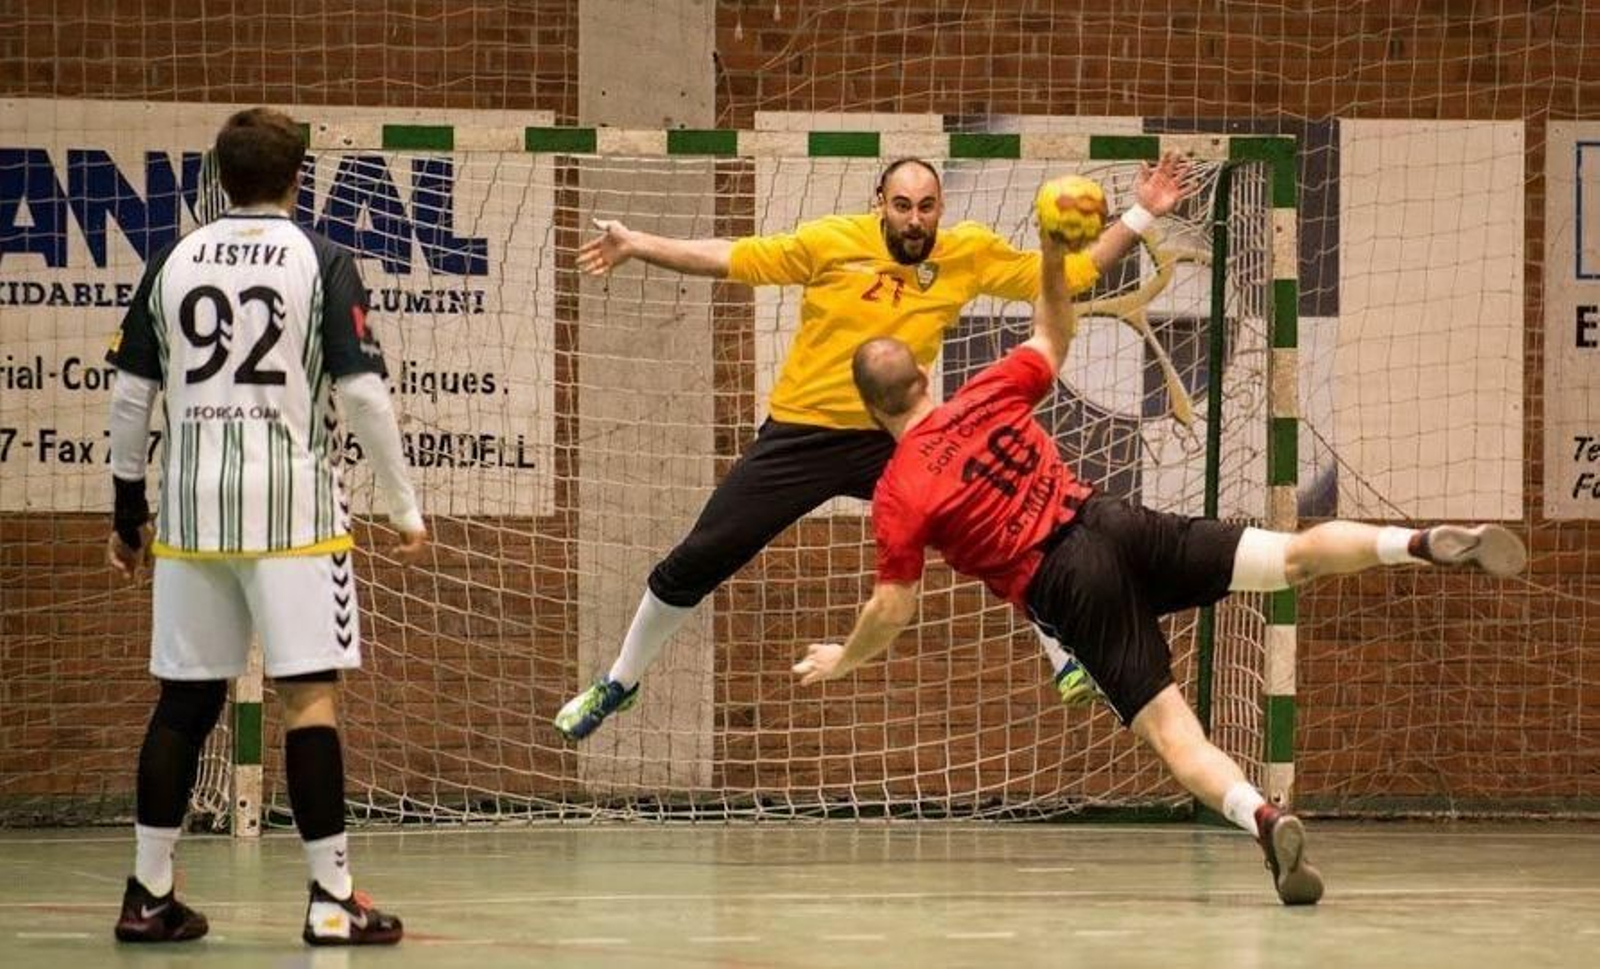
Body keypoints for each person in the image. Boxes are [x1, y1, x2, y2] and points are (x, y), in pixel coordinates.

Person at [791, 213, 1528, 906]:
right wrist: (1051, 251)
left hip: (1067, 582)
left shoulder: (899, 490)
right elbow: (1053, 330)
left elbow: (891, 608)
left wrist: (844, 658)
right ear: (923, 373)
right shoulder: (988, 392)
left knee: (1174, 731)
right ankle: (1419, 543)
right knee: (1293, 556)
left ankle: (1265, 816)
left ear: (868, 408)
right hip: (1115, 521)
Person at [556, 152, 1194, 740]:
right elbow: (729, 257)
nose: (914, 220)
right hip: (800, 434)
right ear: (879, 203)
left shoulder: (967, 252)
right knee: (701, 555)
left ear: (940, 209)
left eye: (926, 207)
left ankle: (1066, 658)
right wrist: (638, 243)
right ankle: (620, 680)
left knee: (1003, 530)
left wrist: (1141, 213)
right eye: (901, 205)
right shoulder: (832, 242)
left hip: (901, 437)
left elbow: (1072, 273)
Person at [104, 107, 427, 945]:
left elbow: (132, 396)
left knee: (182, 704)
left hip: (193, 513)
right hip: (295, 517)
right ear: (298, 175)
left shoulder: (171, 260)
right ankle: (330, 898)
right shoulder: (322, 260)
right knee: (309, 699)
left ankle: (147, 893)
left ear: (218, 174)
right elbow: (361, 394)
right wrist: (402, 503)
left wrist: (126, 510)